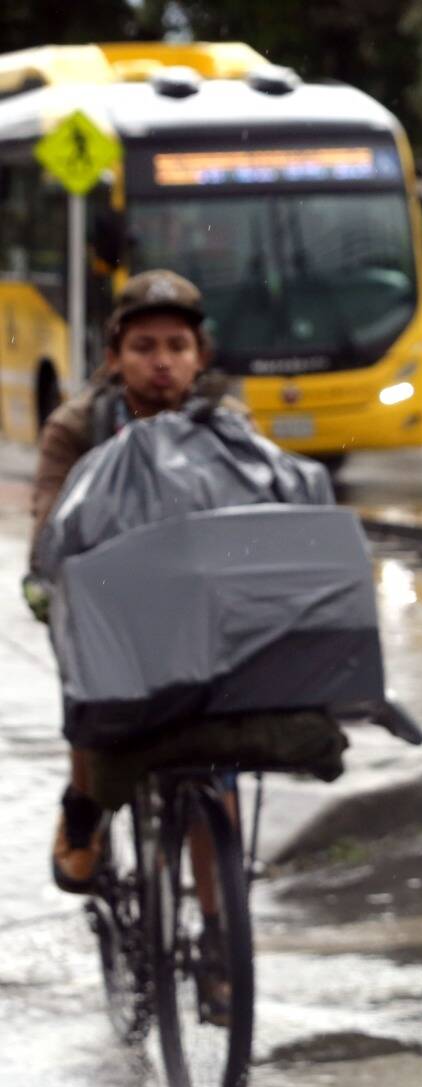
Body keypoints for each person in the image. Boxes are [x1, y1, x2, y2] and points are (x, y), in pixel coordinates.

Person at [24, 270, 252, 894]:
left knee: (220, 778)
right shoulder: (78, 426)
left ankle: (218, 940)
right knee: (87, 693)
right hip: (110, 609)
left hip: (201, 611)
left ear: (199, 356)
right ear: (114, 356)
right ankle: (83, 811)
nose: (161, 363)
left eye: (176, 347)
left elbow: (261, 512)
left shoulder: (226, 421)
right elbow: (49, 530)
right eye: (143, 347)